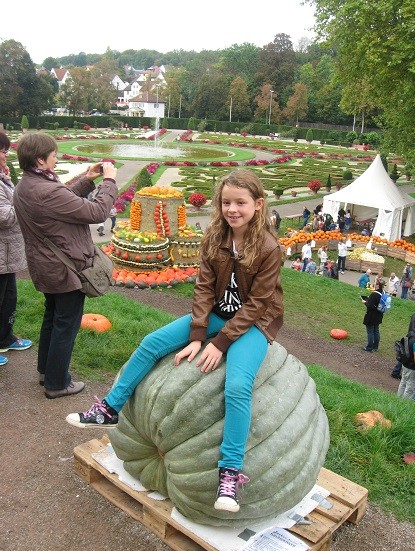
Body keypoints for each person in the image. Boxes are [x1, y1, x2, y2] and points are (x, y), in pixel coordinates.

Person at [66, 169, 284, 513]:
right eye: (226, 202)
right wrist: (198, 334)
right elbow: (204, 287)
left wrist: (220, 343)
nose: (232, 209)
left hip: (255, 324)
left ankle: (229, 472)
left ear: (257, 204)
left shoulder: (269, 248)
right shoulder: (214, 236)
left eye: (240, 203)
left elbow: (258, 303)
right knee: (152, 342)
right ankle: (109, 409)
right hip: (217, 312)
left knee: (238, 385)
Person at [14, 132, 118, 399]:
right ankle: (57, 383)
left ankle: (47, 372)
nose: (56, 159)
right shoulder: (46, 189)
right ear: (40, 160)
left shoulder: (28, 184)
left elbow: (64, 200)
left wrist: (88, 179)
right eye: (53, 155)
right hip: (64, 269)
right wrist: (109, 182)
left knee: (52, 318)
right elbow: (97, 212)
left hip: (47, 266)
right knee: (66, 325)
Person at [0, 131, 32, 366]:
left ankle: (5, 338)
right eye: (3, 151)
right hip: (1, 252)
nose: (6, 155)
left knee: (9, 298)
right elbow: (5, 217)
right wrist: (24, 202)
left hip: (7, 253)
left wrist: (8, 181)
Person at [361, 280, 384, 352]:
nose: (374, 284)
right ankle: (375, 347)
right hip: (379, 315)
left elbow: (370, 306)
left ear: (377, 285)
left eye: (375, 283)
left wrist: (364, 302)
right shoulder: (383, 293)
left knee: (370, 331)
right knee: (376, 331)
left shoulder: (374, 294)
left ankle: (369, 347)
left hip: (371, 315)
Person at [397, 314, 415, 400]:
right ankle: (404, 404)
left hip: (405, 363)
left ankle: (398, 400)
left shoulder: (410, 334)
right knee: (410, 387)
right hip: (412, 367)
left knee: (403, 382)